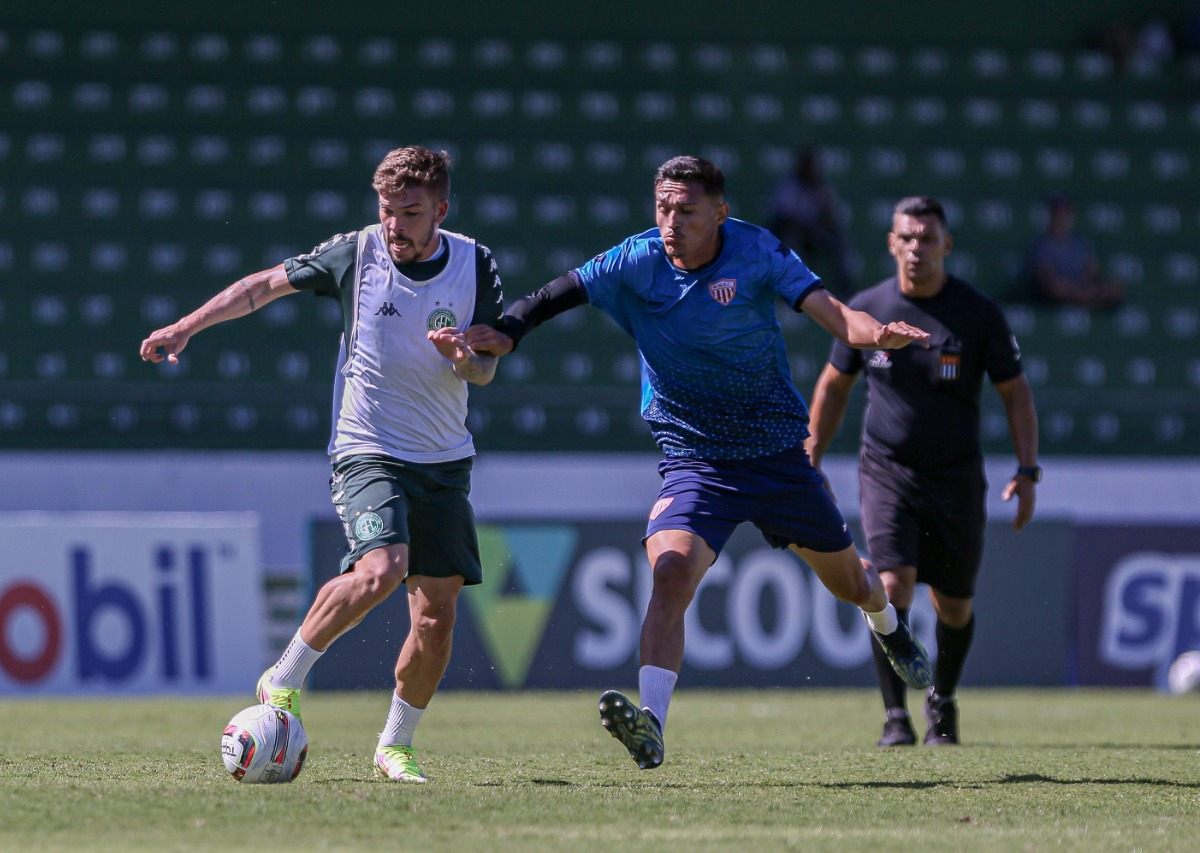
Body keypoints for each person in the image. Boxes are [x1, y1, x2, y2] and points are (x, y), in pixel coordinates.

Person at [463, 155, 933, 771]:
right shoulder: (637, 259)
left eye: (686, 211)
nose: (671, 222)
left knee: (851, 584)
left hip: (775, 458)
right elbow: (558, 293)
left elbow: (837, 315)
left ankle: (889, 625)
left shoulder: (758, 251)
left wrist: (875, 335)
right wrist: (509, 331)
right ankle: (652, 723)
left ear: (720, 213)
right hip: (697, 461)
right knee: (671, 571)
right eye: (663, 208)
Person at [139, 146, 504, 783]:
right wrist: (185, 327)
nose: (395, 224)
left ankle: (396, 746)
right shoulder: (356, 253)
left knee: (437, 617)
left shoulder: (475, 263)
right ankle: (282, 680)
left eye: (411, 212)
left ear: (440, 210)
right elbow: (261, 287)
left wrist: (462, 361)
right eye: (388, 210)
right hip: (367, 448)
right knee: (381, 569)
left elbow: (487, 367)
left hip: (444, 461)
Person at [805, 196, 1040, 747]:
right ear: (891, 244)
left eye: (927, 239)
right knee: (890, 585)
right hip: (887, 471)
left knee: (954, 605)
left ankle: (944, 700)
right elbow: (832, 387)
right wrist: (809, 459)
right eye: (906, 238)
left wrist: (1028, 469)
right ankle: (895, 716)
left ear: (946, 245)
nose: (916, 249)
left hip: (957, 478)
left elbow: (1017, 394)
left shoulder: (978, 314)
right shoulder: (867, 309)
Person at [766, 147, 855, 294]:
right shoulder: (788, 186)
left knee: (839, 241)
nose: (811, 170)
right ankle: (790, 290)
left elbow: (830, 216)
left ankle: (845, 292)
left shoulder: (822, 187)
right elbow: (783, 219)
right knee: (790, 241)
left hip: (814, 234)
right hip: (791, 234)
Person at [1024, 192, 1124, 308]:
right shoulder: (1041, 244)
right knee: (1058, 288)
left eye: (1067, 213)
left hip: (1083, 287)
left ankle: (1088, 300)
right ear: (1050, 216)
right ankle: (1087, 301)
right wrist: (1073, 289)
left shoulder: (1079, 243)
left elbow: (1093, 271)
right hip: (1061, 289)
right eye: (1058, 214)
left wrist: (1097, 285)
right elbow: (1045, 276)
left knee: (1114, 288)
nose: (1063, 218)